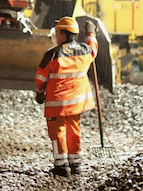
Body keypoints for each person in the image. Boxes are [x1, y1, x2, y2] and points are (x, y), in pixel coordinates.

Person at [35, 17, 98, 177]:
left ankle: (61, 165)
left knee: (57, 133)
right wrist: (91, 32)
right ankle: (75, 163)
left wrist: (40, 92)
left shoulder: (52, 55)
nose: (56, 36)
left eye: (57, 33)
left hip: (57, 103)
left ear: (63, 34)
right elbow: (93, 47)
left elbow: (41, 78)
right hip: (77, 103)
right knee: (74, 130)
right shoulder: (85, 51)